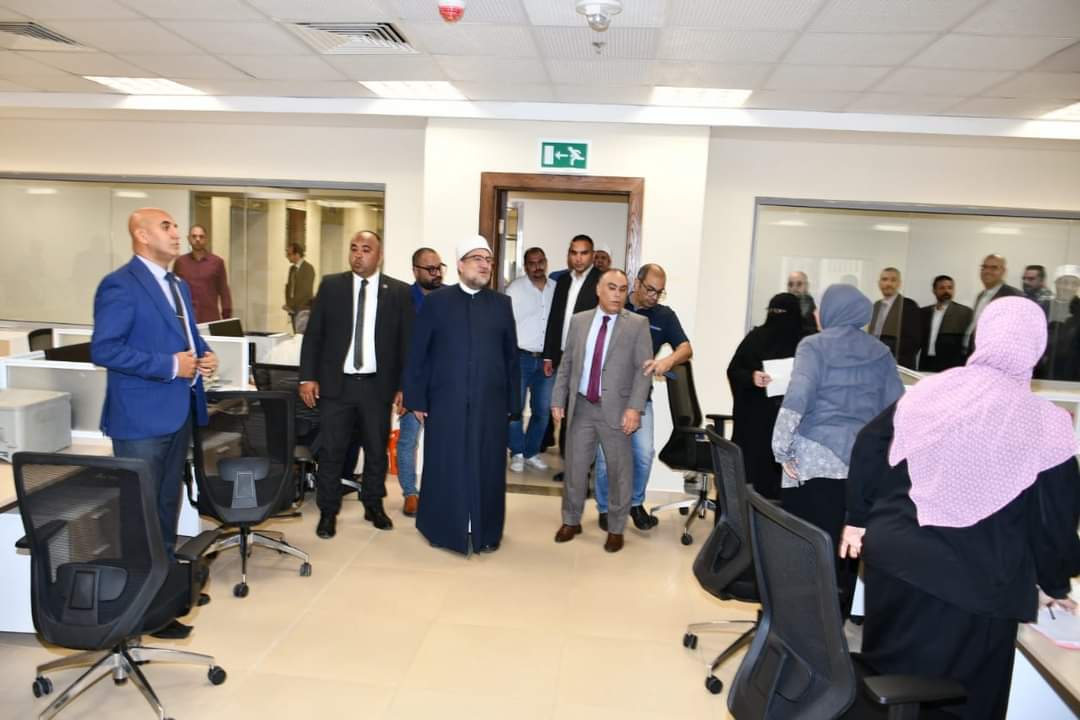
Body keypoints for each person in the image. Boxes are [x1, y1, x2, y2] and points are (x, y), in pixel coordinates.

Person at [841, 297, 1080, 720]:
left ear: (981, 337)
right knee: (962, 703)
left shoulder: (932, 391)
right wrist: (1056, 584)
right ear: (1038, 350)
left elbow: (869, 445)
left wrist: (858, 520)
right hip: (976, 585)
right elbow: (1054, 522)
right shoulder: (1047, 423)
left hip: (892, 562)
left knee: (889, 689)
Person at [91, 208, 218, 640]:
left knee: (164, 510)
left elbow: (188, 339)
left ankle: (161, 598)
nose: (177, 233)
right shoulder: (120, 285)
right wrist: (169, 366)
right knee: (139, 519)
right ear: (141, 235)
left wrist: (204, 355)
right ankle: (136, 611)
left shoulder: (177, 284)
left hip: (177, 413)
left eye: (176, 226)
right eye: (166, 227)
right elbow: (105, 349)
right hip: (140, 420)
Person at [771, 284, 903, 611]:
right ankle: (837, 618)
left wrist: (781, 449)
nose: (816, 313)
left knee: (808, 544)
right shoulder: (881, 352)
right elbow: (898, 410)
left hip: (817, 459)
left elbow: (798, 396)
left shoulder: (813, 345)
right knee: (848, 547)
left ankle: (802, 615)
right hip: (864, 466)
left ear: (831, 311)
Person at [403, 236, 519, 555]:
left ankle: (485, 531)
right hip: (445, 402)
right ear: (460, 265)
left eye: (488, 259)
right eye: (477, 258)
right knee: (445, 466)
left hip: (490, 404)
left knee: (487, 467)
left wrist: (512, 404)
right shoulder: (437, 302)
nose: (484, 264)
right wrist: (416, 399)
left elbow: (511, 358)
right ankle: (442, 529)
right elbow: (418, 353)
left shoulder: (501, 304)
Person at [299, 231, 412, 539]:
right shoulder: (332, 286)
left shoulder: (398, 292)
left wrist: (405, 386)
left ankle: (373, 504)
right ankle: (328, 511)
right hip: (337, 386)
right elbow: (314, 335)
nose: (358, 255)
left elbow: (406, 344)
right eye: (354, 248)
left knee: (376, 450)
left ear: (379, 255)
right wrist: (308, 377)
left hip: (377, 387)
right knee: (332, 451)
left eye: (366, 249)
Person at [552, 269, 653, 553]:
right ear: (598, 289)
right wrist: (558, 399)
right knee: (575, 468)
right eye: (611, 288)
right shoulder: (579, 321)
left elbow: (643, 371)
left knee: (620, 472)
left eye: (622, 289)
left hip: (618, 411)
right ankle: (571, 520)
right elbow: (567, 364)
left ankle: (616, 528)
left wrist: (634, 408)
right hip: (582, 407)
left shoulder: (637, 324)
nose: (617, 295)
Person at [594, 263, 692, 529]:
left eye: (660, 292)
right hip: (609, 395)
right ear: (636, 283)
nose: (654, 296)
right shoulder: (615, 304)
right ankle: (605, 508)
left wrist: (667, 361)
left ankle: (635, 504)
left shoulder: (664, 316)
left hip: (640, 398)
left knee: (644, 453)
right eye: (650, 289)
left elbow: (686, 348)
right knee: (605, 457)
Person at [727, 293, 808, 500]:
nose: (777, 317)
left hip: (794, 421)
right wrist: (752, 377)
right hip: (758, 421)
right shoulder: (755, 338)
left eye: (782, 313)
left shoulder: (807, 343)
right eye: (773, 312)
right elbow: (734, 370)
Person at [543, 234, 601, 477]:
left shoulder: (601, 281)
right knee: (565, 415)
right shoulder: (563, 281)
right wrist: (548, 355)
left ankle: (584, 470)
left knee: (583, 417)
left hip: (588, 360)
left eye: (583, 253)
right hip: (562, 357)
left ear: (592, 255)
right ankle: (571, 470)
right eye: (574, 253)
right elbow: (555, 318)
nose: (578, 258)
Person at [395, 247, 445, 517]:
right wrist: (401, 387)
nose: (437, 273)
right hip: (412, 383)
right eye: (430, 268)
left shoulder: (451, 297)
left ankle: (437, 492)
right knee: (407, 441)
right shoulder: (401, 299)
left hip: (443, 384)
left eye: (439, 267)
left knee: (441, 442)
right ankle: (410, 494)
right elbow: (394, 347)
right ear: (415, 270)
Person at [505, 246, 556, 473]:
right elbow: (505, 324)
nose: (537, 267)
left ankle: (531, 452)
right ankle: (516, 452)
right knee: (515, 409)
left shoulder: (556, 289)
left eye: (540, 262)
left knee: (542, 411)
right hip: (520, 357)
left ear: (546, 262)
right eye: (532, 263)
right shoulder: (515, 289)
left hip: (547, 360)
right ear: (525, 267)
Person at [172, 224, 232, 323]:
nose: (198, 239)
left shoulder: (217, 262)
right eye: (194, 236)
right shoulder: (180, 262)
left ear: (206, 239)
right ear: (188, 239)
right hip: (187, 317)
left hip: (210, 317)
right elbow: (174, 290)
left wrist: (226, 318)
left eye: (201, 236)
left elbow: (224, 290)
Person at [964, 253, 1022, 354]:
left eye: (994, 268)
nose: (987, 271)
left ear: (1003, 272)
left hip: (995, 355)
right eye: (984, 267)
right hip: (974, 352)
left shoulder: (1013, 296)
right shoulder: (980, 296)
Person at [918, 274, 973, 372]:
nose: (946, 291)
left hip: (953, 366)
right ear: (934, 290)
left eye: (950, 288)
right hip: (927, 362)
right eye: (942, 288)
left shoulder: (964, 313)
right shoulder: (923, 313)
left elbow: (969, 343)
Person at [869, 267, 921, 369]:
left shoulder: (908, 305)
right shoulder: (876, 306)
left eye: (893, 280)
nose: (888, 284)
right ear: (879, 283)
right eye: (884, 279)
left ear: (899, 284)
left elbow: (914, 342)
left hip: (898, 365)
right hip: (875, 363)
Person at [283, 241, 315, 333]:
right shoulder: (292, 269)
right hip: (293, 310)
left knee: (302, 335)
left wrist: (292, 306)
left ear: (297, 255)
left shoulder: (308, 268)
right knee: (296, 334)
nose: (287, 257)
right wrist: (288, 304)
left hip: (303, 309)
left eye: (289, 254)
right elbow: (289, 288)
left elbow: (305, 291)